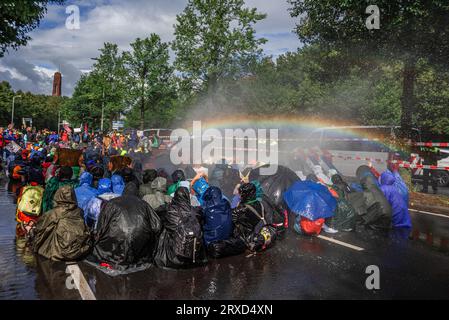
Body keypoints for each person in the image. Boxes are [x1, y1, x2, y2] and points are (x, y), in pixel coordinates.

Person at [32, 185, 91, 261]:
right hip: (78, 250)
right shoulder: (79, 211)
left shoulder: (53, 213)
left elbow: (39, 228)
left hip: (58, 252)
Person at [154, 186, 207, 269]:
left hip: (173, 256)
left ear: (175, 196)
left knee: (164, 228)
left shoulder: (168, 209)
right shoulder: (195, 211)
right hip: (194, 255)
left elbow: (155, 212)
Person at [231, 183, 278, 252]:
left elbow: (232, 219)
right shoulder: (260, 203)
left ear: (246, 194)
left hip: (252, 237)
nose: (240, 196)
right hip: (262, 230)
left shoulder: (242, 209)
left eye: (242, 194)